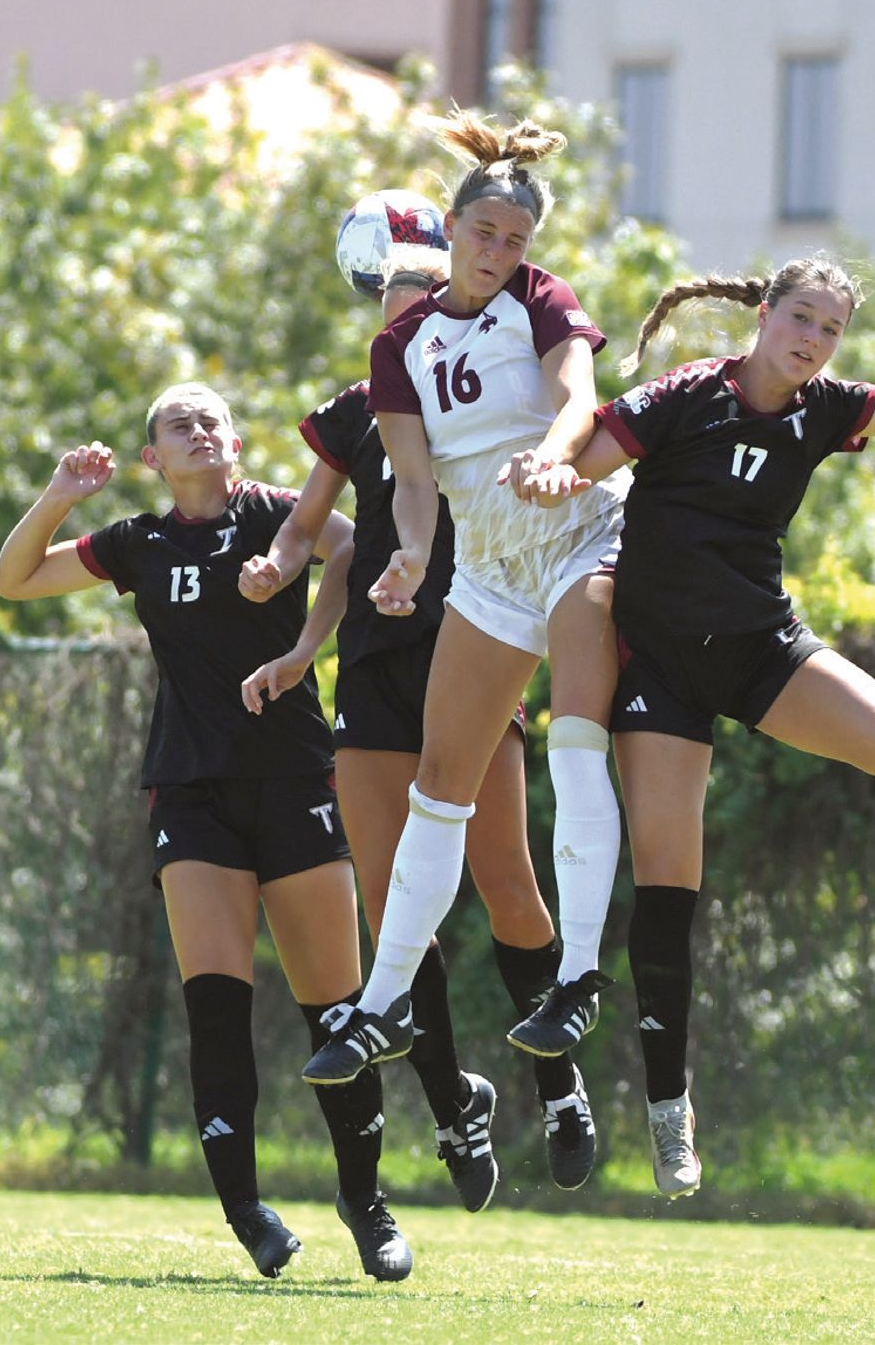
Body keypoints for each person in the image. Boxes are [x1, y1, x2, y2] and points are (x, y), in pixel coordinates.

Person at [510, 256, 875, 1198]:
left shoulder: (823, 408)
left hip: (762, 650)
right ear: (764, 316)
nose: (814, 341)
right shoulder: (686, 395)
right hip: (660, 667)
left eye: (831, 329)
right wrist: (547, 471)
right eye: (802, 318)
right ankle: (670, 1114)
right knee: (669, 891)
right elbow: (584, 458)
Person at [0, 384, 413, 1281]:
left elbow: (352, 549)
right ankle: (245, 1211)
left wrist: (304, 653)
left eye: (210, 417)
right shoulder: (138, 543)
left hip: (294, 778)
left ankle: (366, 1206)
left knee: (337, 1014)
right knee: (216, 1012)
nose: (199, 428)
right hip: (191, 794)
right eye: (178, 423)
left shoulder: (277, 515)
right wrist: (61, 494)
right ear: (155, 460)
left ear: (234, 441)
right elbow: (12, 580)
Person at [239, 245, 598, 1203]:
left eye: (420, 303)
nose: (409, 323)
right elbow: (311, 527)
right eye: (394, 309)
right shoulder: (361, 414)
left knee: (507, 885)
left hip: (477, 646)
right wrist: (280, 576)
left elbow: (571, 423)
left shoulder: (497, 395)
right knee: (395, 894)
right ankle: (453, 1108)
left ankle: (560, 1086)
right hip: (377, 664)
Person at [300, 108, 632, 1090]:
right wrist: (406, 555)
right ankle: (381, 1000)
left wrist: (553, 452)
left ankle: (575, 977)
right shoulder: (400, 342)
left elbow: (578, 395)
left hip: (578, 537)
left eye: (516, 240)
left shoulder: (538, 299)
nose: (499, 251)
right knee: (437, 787)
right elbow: (410, 478)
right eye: (485, 232)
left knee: (575, 745)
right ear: (449, 227)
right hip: (487, 567)